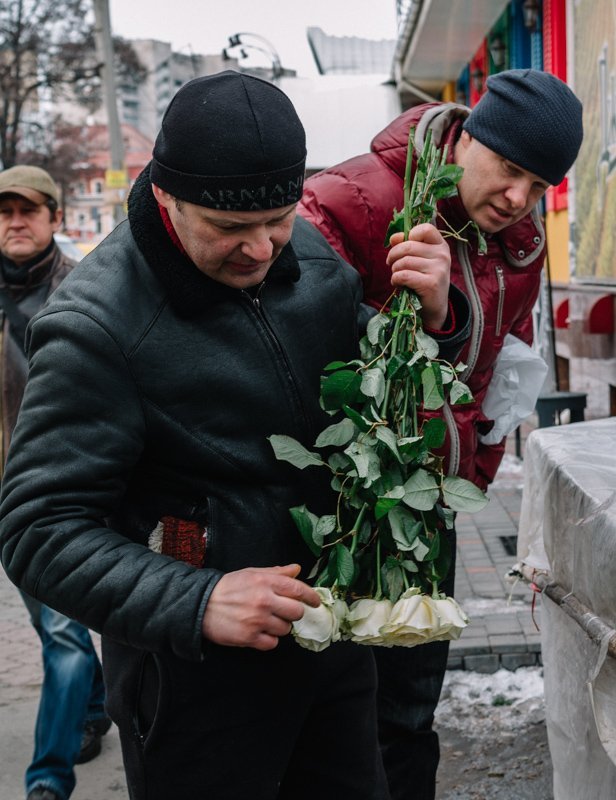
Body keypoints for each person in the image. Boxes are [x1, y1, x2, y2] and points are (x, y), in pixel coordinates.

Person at [0, 71, 469, 800]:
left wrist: (439, 317)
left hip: (329, 647)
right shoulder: (95, 324)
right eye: (228, 230)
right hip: (194, 684)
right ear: (164, 197)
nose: (260, 250)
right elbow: (37, 529)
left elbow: (377, 373)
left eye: (278, 218)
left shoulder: (310, 257)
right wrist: (194, 600)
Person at [298, 68, 584, 800]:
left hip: (427, 511)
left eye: (539, 183)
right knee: (328, 712)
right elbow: (285, 345)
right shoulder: (357, 199)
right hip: (335, 512)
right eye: (509, 168)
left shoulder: (517, 242)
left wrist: (478, 464)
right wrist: (425, 317)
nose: (519, 198)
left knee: (409, 711)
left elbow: (508, 366)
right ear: (467, 137)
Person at [0, 165, 112, 800]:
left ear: (54, 218)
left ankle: (48, 779)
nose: (16, 221)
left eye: (29, 209)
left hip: (61, 489)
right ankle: (93, 711)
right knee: (53, 625)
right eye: (5, 210)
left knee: (64, 630)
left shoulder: (85, 287)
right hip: (1, 489)